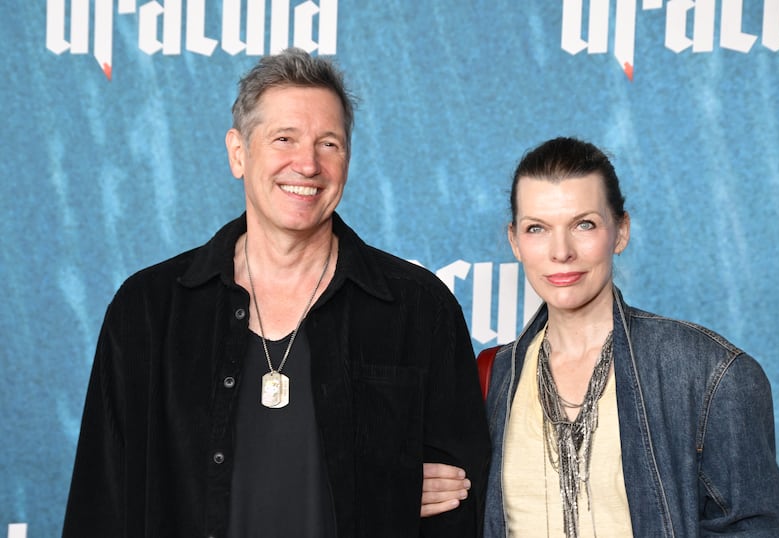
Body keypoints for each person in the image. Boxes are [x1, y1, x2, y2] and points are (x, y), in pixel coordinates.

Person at [62, 48, 490, 538]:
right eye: (284, 138)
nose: (307, 164)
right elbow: (101, 500)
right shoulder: (147, 309)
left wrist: (383, 491)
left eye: (328, 143)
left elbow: (461, 502)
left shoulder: (419, 309)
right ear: (238, 152)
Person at [422, 137, 779, 536]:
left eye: (584, 224)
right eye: (537, 228)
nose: (561, 251)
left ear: (620, 231)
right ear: (515, 241)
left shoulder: (710, 374)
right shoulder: (492, 378)